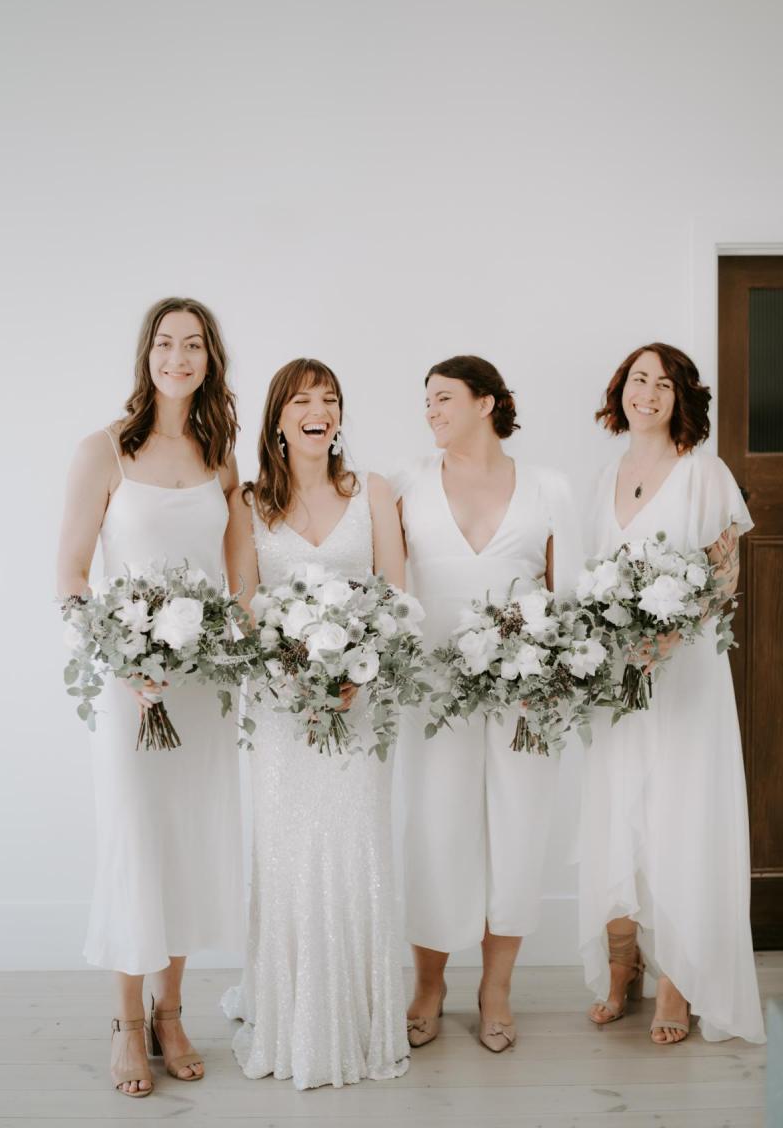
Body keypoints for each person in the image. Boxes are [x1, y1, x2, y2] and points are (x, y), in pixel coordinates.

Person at [56, 297, 243, 1096]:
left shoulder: (221, 453)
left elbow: (238, 583)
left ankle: (174, 1012)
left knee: (187, 839)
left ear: (209, 359)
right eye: (166, 344)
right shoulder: (102, 450)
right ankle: (128, 1020)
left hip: (200, 690)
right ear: (147, 355)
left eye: (193, 345)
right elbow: (69, 576)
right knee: (136, 839)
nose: (179, 357)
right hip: (127, 689)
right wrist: (119, 658)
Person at [221, 358, 410, 1090]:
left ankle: (359, 1019)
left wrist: (355, 675)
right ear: (278, 417)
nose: (319, 410)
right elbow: (243, 606)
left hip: (358, 707)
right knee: (290, 854)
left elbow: (395, 597)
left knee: (355, 847)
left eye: (330, 400)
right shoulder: (247, 502)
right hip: (278, 710)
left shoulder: (374, 494)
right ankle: (291, 1014)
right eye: (303, 399)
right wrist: (293, 678)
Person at [577, 342, 764, 1045]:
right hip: (616, 684)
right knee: (616, 813)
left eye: (662, 383)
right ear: (620, 389)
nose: (646, 393)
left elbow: (724, 578)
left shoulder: (704, 473)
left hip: (683, 677)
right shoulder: (604, 476)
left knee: (680, 816)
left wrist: (669, 640)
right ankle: (623, 970)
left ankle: (679, 985)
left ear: (682, 396)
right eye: (636, 379)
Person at [393, 355, 580, 1052]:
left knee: (520, 831)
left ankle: (496, 988)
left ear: (487, 402)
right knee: (436, 833)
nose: (431, 411)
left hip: (524, 691)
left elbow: (569, 599)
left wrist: (545, 675)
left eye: (443, 398)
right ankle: (429, 985)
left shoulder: (549, 486)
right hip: (433, 691)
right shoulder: (407, 482)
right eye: (427, 402)